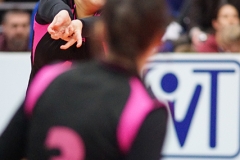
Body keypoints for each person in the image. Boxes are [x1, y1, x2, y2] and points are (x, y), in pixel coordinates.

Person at [0, 0, 170, 158]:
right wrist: (66, 16)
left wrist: (81, 24)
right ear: (157, 40)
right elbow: (48, 4)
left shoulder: (48, 80)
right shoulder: (145, 106)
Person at [28, 0, 105, 83]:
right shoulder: (53, 9)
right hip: (47, 94)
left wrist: (81, 25)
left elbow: (108, 23)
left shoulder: (113, 22)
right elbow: (48, 3)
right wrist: (61, 13)